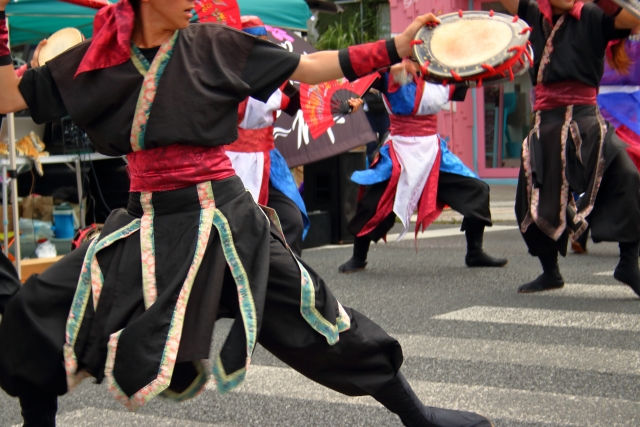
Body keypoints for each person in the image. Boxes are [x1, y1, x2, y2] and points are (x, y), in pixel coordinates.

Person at [0, 1, 493, 426]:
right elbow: (8, 96)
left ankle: (416, 416)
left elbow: (310, 66)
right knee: (35, 309)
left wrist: (395, 46)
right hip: (145, 223)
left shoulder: (214, 43)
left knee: (318, 317)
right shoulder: (94, 61)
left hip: (226, 221)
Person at [497, 0, 640, 296]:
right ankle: (550, 273)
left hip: (585, 120)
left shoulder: (593, 15)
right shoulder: (535, 15)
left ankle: (628, 263)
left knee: (628, 178)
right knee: (531, 199)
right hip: (545, 123)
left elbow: (634, 18)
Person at [339, 61, 508, 274]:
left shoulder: (443, 76)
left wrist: (493, 63)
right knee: (372, 201)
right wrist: (355, 100)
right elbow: (363, 76)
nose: (415, 60)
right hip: (400, 149)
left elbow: (475, 78)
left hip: (433, 150)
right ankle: (358, 257)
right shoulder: (389, 75)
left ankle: (475, 252)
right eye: (410, 55)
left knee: (477, 189)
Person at [226, 16, 363, 256]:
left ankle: (285, 284)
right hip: (227, 164)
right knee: (232, 230)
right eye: (254, 44)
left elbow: (305, 102)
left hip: (268, 162)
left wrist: (343, 104)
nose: (261, 50)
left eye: (263, 43)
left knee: (290, 220)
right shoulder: (221, 77)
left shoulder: (274, 75)